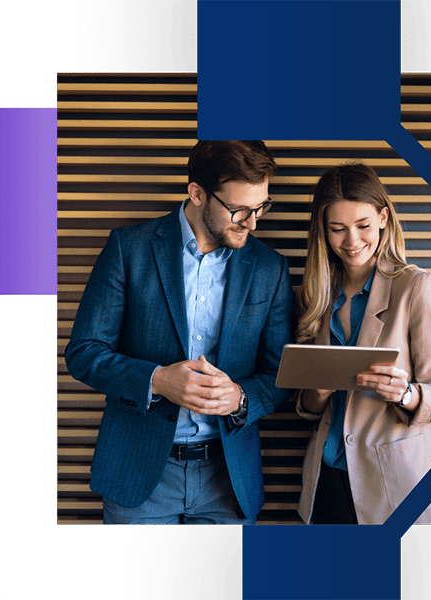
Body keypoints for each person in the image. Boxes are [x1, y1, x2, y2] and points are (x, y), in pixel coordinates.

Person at [65, 140, 295, 524]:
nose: (253, 223)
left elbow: (280, 375)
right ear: (197, 193)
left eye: (260, 208)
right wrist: (157, 380)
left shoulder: (270, 268)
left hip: (228, 480)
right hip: (137, 477)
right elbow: (84, 351)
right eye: (239, 210)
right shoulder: (129, 248)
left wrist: (240, 398)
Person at [294, 163, 431, 525]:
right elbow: (306, 404)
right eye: (337, 229)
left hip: (396, 486)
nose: (352, 242)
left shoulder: (417, 288)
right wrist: (317, 392)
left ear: (383, 217)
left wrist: (404, 393)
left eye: (363, 226)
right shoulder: (317, 295)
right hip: (327, 480)